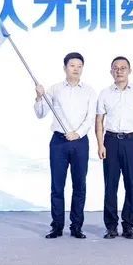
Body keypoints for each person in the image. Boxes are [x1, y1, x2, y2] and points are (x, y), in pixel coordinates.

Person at [34, 52, 97, 239]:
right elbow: (41, 113)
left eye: (79, 66)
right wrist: (39, 97)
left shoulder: (89, 91)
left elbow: (90, 117)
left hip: (80, 142)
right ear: (65, 68)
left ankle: (76, 227)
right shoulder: (54, 89)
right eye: (72, 65)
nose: (76, 69)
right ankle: (57, 226)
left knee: (79, 185)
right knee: (57, 186)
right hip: (59, 142)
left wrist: (77, 133)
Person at [95, 56, 133, 240]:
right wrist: (100, 144)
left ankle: (128, 226)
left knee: (131, 185)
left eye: (123, 68)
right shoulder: (105, 93)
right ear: (111, 71)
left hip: (132, 141)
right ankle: (111, 226)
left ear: (129, 70)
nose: (119, 71)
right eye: (116, 68)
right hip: (111, 141)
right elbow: (99, 121)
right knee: (110, 186)